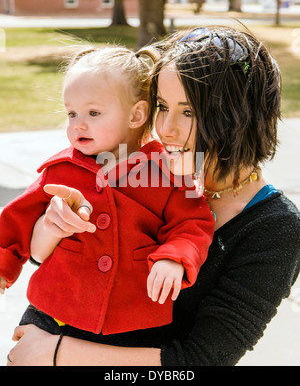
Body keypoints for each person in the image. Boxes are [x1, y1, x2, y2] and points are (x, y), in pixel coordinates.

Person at [7, 25, 300, 366]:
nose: (166, 129)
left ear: (238, 117)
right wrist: (49, 224)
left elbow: (201, 361)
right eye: (162, 106)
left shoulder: (274, 230)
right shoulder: (138, 169)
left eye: (188, 111)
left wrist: (57, 353)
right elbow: (56, 266)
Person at [0, 46, 214, 344]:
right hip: (54, 310)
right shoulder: (60, 169)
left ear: (136, 115)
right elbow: (16, 220)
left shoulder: (165, 171)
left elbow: (193, 224)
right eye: (71, 113)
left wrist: (174, 258)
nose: (78, 124)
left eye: (93, 113)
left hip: (133, 321)